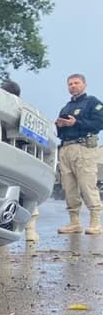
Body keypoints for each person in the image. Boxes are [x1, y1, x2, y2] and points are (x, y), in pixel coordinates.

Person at [55, 73, 103, 235]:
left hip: (83, 148)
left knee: (87, 184)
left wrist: (78, 122)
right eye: (70, 84)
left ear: (84, 84)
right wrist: (59, 125)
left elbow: (99, 123)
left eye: (76, 83)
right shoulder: (66, 107)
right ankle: (74, 222)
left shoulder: (92, 103)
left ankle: (95, 222)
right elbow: (60, 130)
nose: (73, 86)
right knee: (69, 187)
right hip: (66, 148)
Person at [0, 79, 40, 242]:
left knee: (6, 194)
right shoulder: (27, 111)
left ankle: (12, 230)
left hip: (7, 156)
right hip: (21, 157)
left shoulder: (1, 108)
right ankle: (30, 232)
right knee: (25, 195)